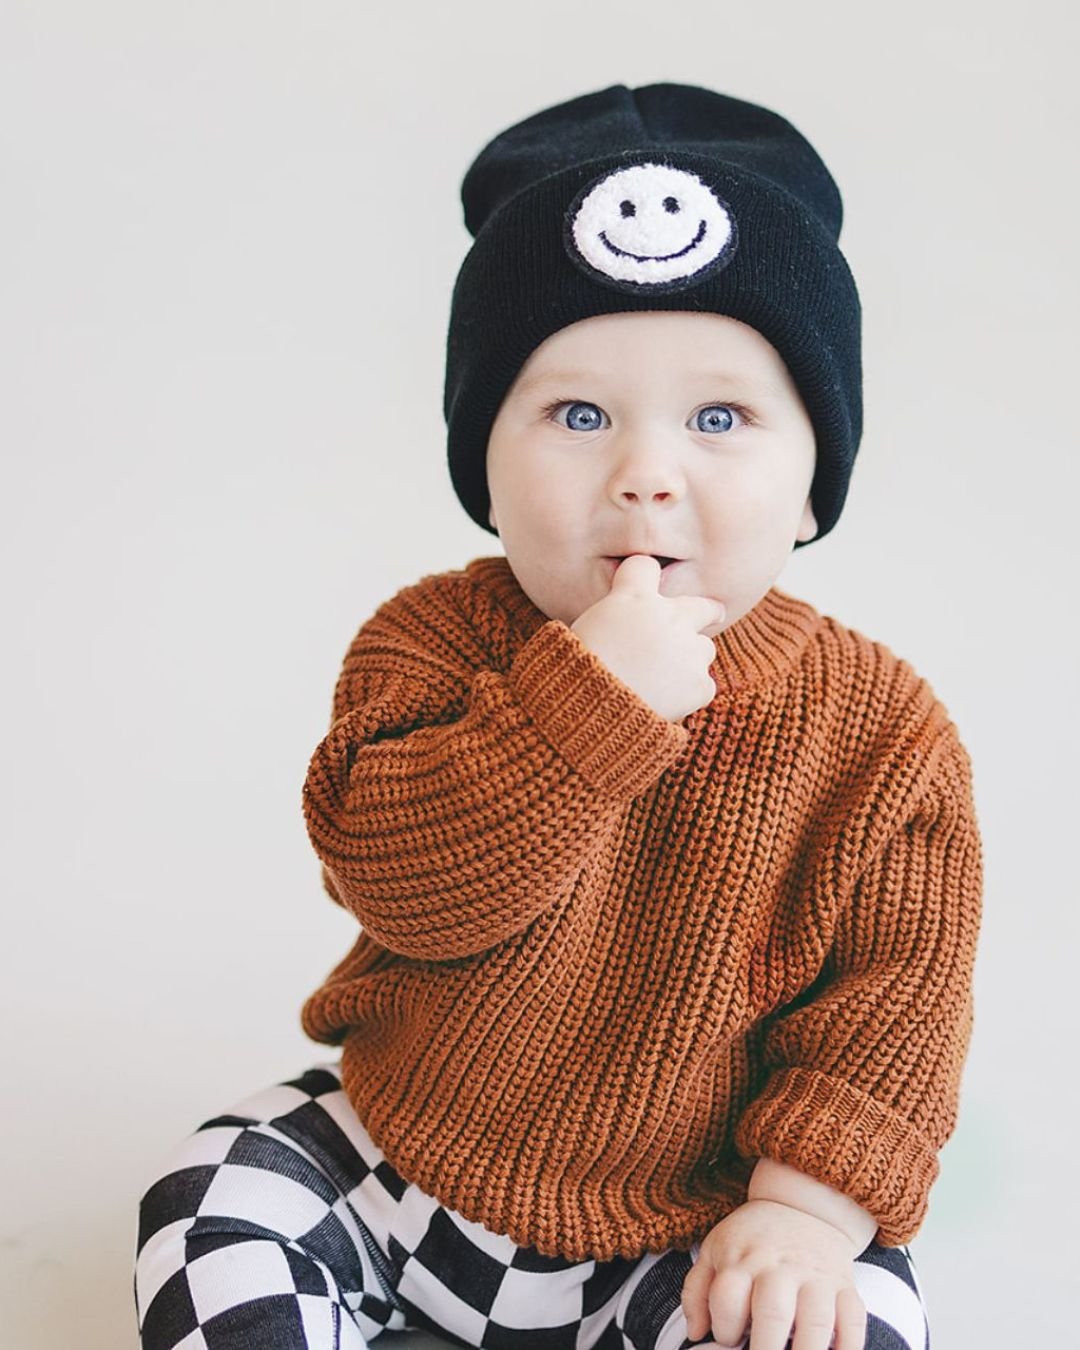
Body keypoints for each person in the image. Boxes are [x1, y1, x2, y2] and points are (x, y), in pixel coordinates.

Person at [134, 83, 982, 1350]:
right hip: (400, 1159)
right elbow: (405, 887)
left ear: (814, 485)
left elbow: (897, 1003)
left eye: (721, 418)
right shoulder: (432, 640)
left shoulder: (883, 729)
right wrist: (582, 709)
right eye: (576, 415)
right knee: (206, 1202)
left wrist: (803, 1216)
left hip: (684, 1226)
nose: (646, 472)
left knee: (852, 1310)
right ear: (485, 465)